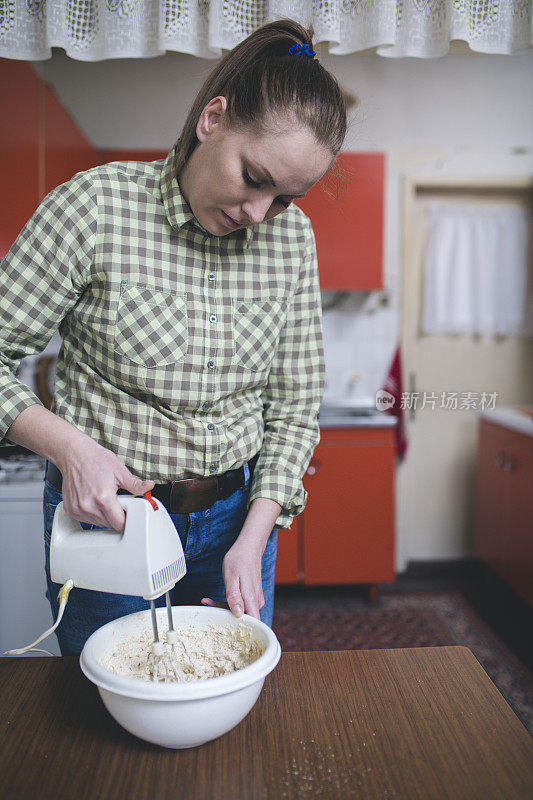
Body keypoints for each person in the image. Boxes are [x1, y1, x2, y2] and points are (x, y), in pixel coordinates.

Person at [0, 19, 347, 654]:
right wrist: (68, 448)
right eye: (253, 177)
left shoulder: (291, 243)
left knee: (224, 716)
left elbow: (294, 407)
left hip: (238, 529)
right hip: (112, 524)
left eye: (286, 199)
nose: (258, 214)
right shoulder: (95, 208)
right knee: (104, 722)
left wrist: (255, 537)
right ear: (212, 119)